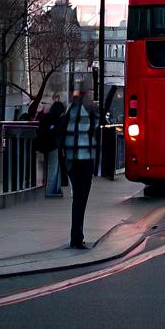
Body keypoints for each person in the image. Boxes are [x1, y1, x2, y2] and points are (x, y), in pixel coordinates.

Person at [59, 91, 99, 250]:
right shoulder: (89, 112)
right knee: (81, 200)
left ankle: (76, 236)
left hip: (71, 160)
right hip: (84, 160)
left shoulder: (70, 112)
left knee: (78, 198)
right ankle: (77, 237)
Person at [36, 99, 65, 198]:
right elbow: (58, 132)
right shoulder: (59, 120)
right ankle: (51, 190)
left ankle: (54, 189)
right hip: (53, 146)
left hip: (43, 146)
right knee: (53, 169)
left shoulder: (45, 118)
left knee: (49, 169)